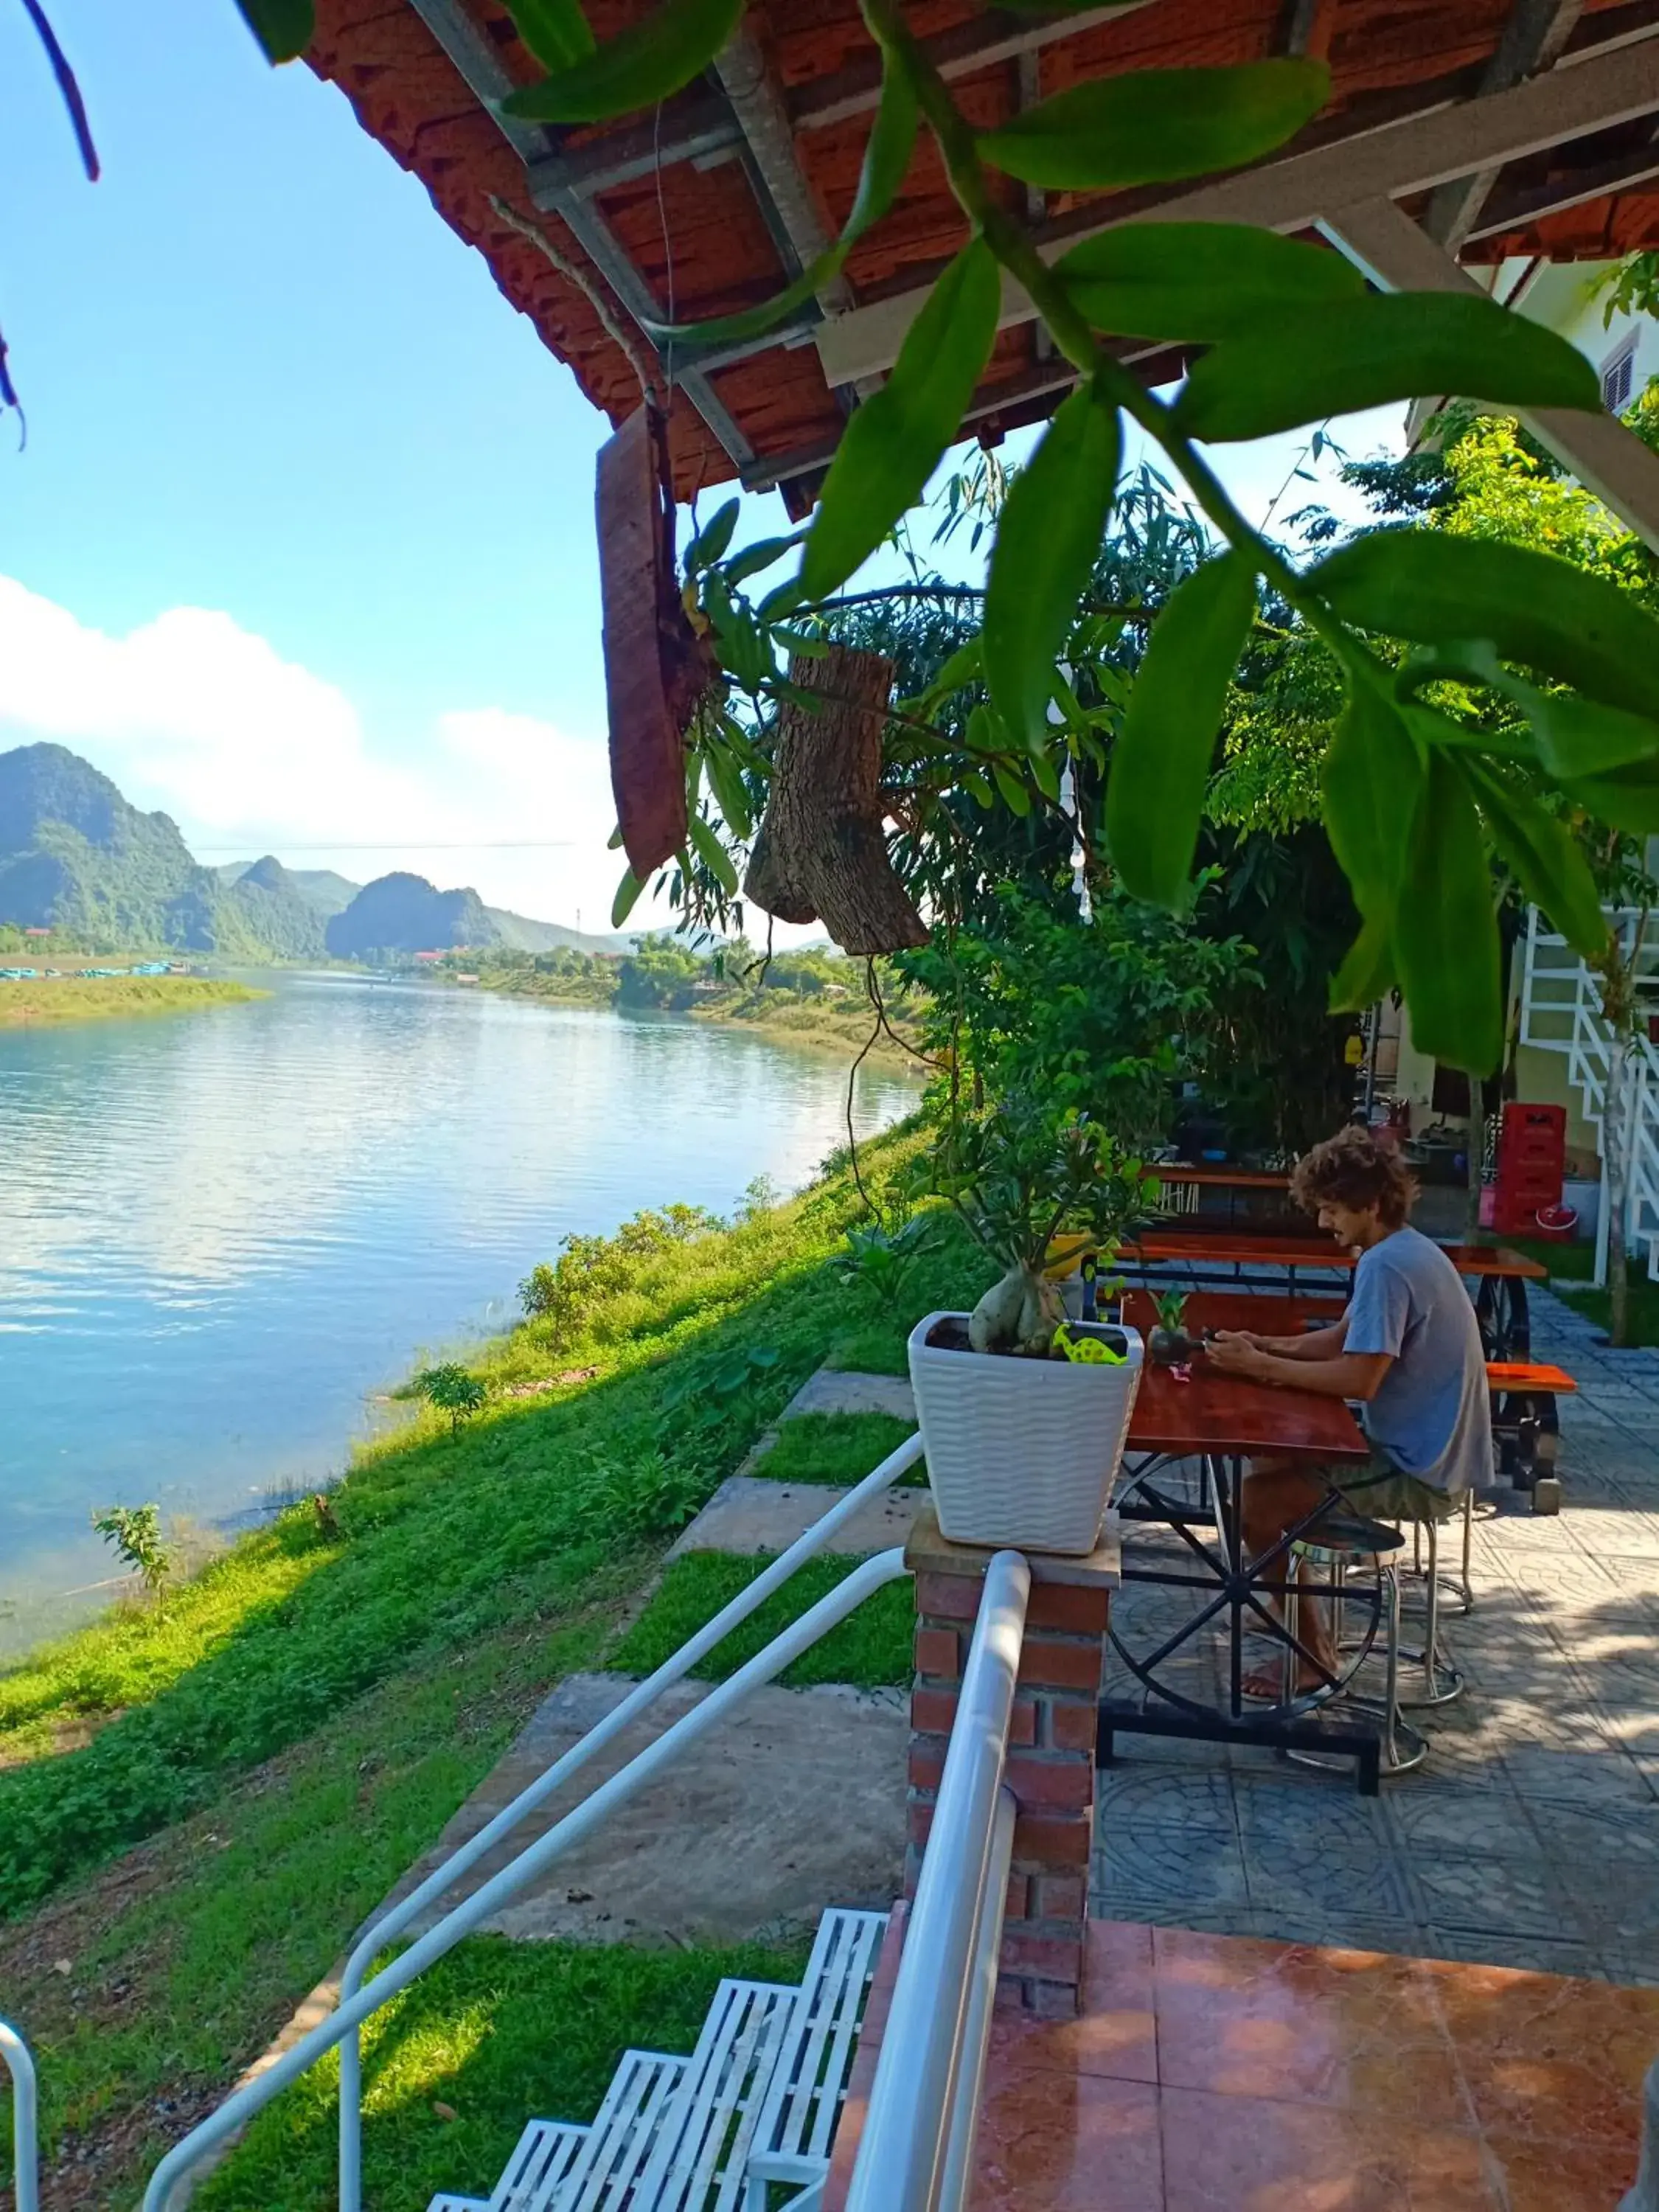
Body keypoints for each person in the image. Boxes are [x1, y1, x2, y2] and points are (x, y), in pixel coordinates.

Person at [1207, 1125, 1492, 1697]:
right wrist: (1265, 1346)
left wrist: (1258, 1369)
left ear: (1369, 1204)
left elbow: (1360, 1378)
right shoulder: (1404, 1249)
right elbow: (1345, 1337)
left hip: (1419, 1469)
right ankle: (1302, 1617)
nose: (1323, 1223)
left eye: (1331, 1209)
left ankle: (1313, 1653)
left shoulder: (1386, 1266)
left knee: (1257, 1506)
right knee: (1270, 1464)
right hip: (1424, 1451)